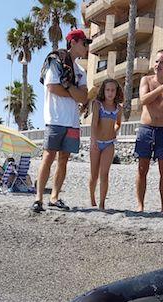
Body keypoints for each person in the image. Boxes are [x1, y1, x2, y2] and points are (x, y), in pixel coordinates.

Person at [32, 29, 90, 213]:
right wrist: (73, 92)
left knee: (64, 159)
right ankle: (38, 198)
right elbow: (52, 87)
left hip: (73, 121)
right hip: (55, 119)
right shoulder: (55, 62)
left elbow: (84, 97)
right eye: (84, 43)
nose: (86, 47)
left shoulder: (80, 71)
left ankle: (54, 197)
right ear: (72, 42)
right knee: (48, 157)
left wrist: (69, 87)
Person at [134, 49, 163, 213]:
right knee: (142, 169)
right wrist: (162, 88)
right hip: (146, 129)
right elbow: (144, 100)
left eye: (162, 62)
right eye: (156, 61)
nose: (158, 65)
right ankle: (140, 205)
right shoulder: (146, 80)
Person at [89, 78, 123, 210]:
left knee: (105, 173)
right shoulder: (98, 104)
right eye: (108, 90)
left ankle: (102, 202)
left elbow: (118, 123)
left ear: (116, 92)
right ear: (104, 90)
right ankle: (92, 199)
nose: (110, 93)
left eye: (113, 90)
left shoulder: (118, 108)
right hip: (96, 142)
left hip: (109, 143)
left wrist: (114, 130)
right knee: (94, 174)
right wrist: (93, 140)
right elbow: (94, 123)